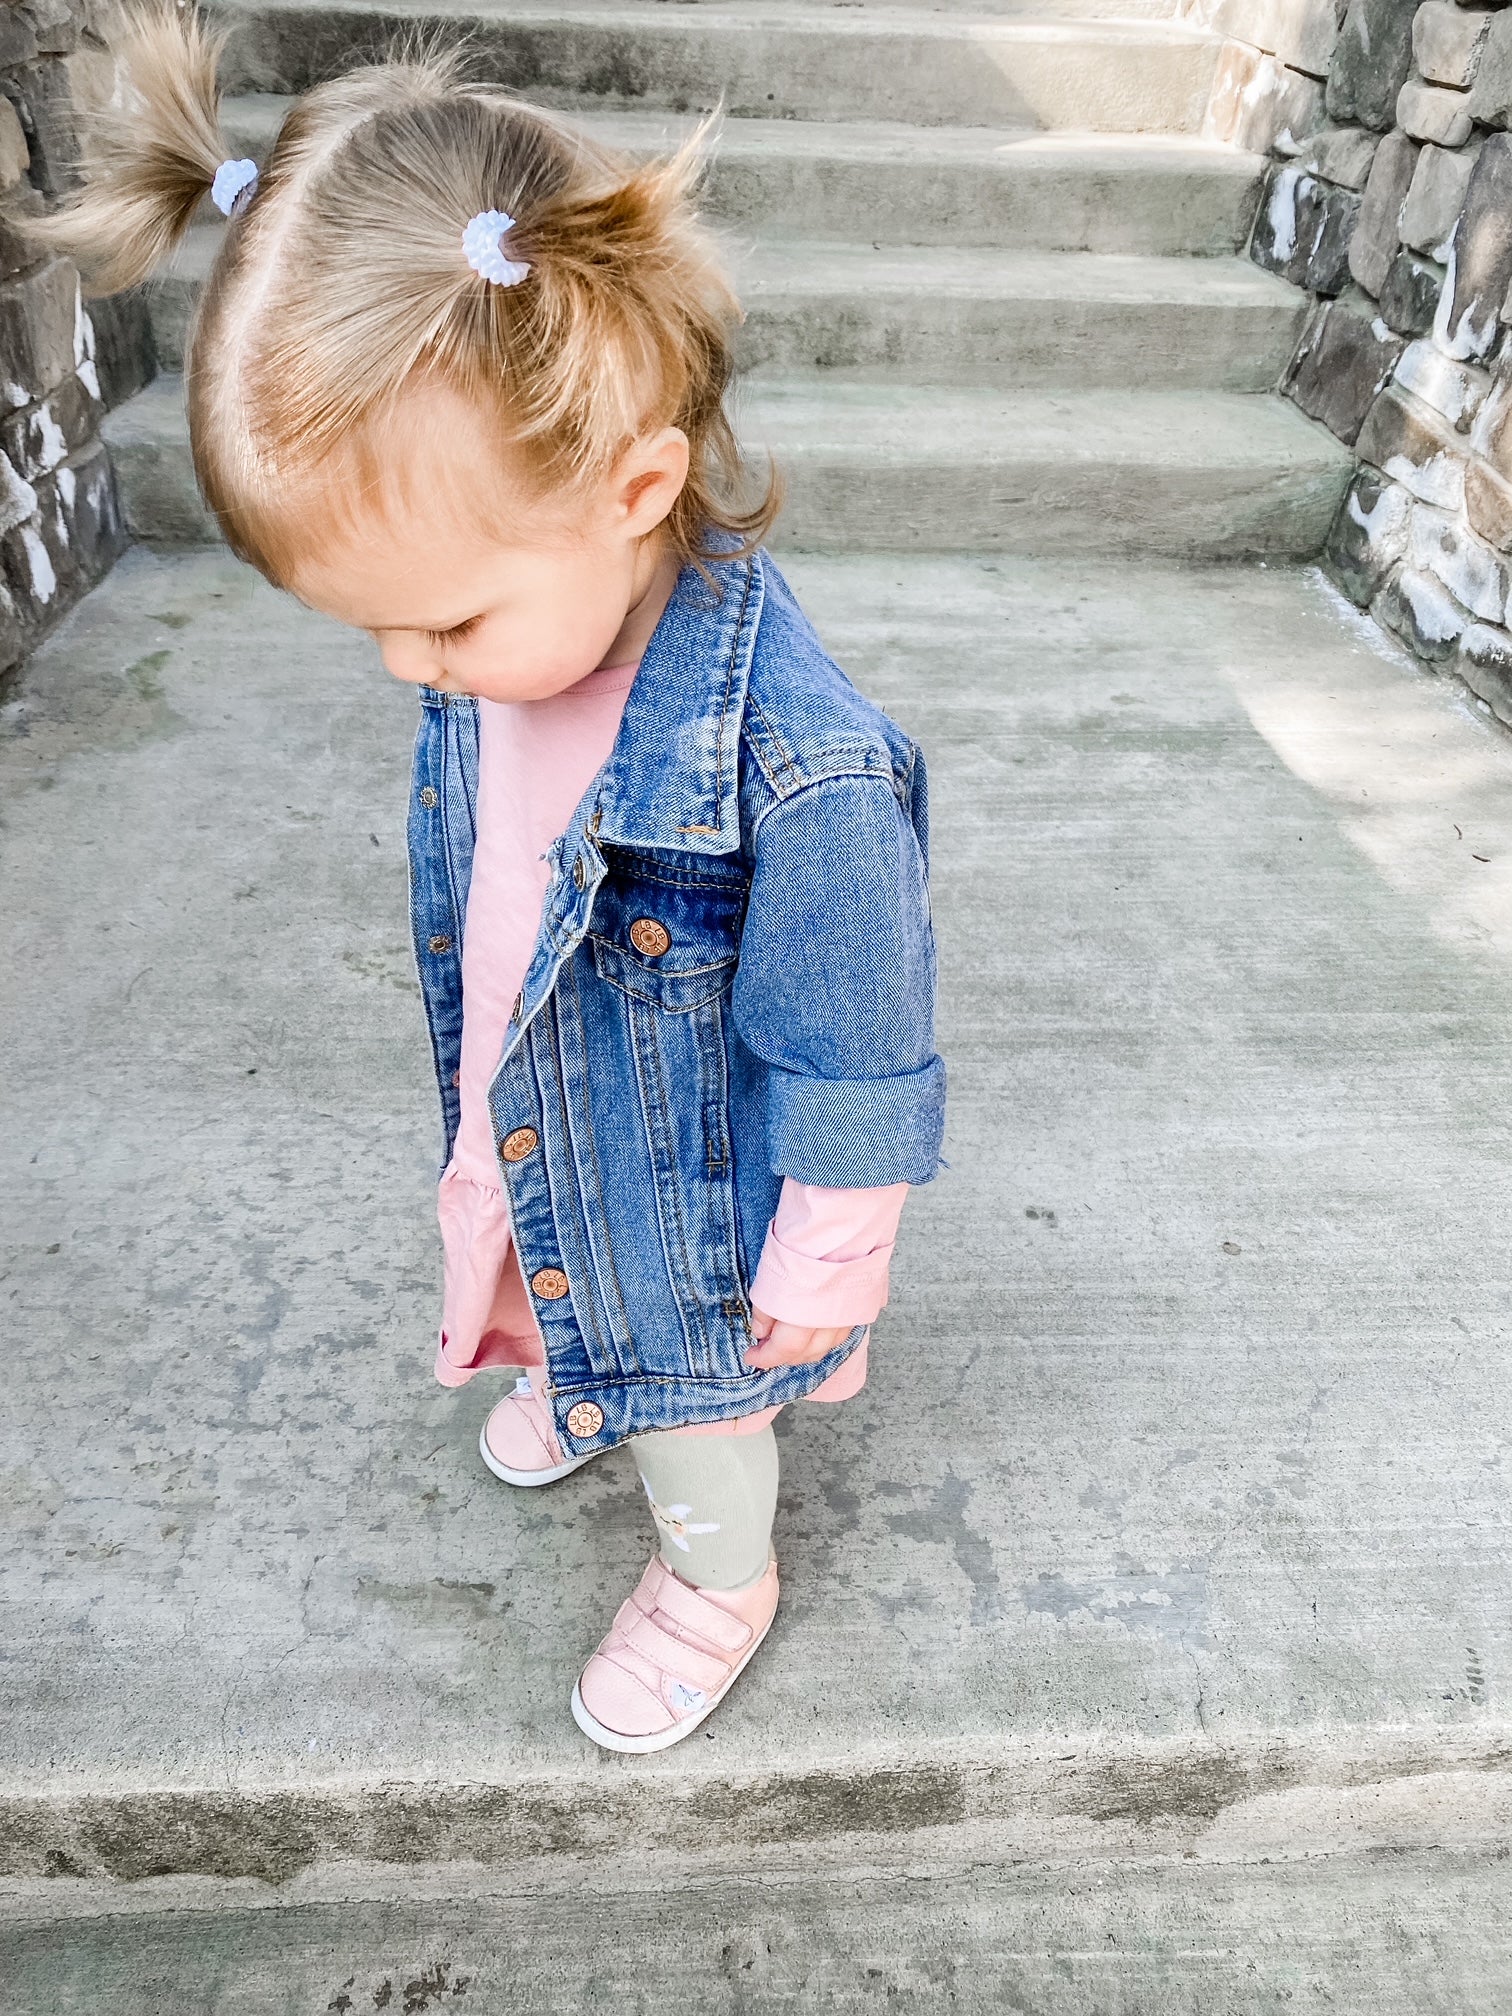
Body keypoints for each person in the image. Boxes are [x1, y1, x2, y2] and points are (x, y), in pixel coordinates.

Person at [43, 9, 946, 1752]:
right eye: (369, 627)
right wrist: (461, 638)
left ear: (638, 486)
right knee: (546, 1254)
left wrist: (829, 1253)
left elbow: (857, 1044)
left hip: (693, 1202)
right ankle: (571, 1355)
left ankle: (715, 1574)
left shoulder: (801, 762)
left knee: (697, 1396)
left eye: (441, 619)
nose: (409, 670)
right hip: (550, 1113)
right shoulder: (506, 656)